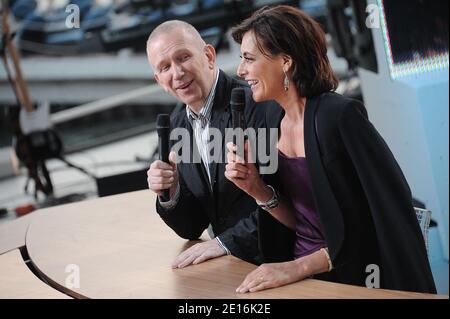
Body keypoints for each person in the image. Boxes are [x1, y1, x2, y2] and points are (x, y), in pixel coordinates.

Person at [225, 5, 436, 293]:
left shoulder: (339, 116)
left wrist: (298, 267)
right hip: (297, 273)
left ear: (285, 61)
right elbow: (302, 222)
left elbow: (377, 218)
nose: (240, 70)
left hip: (354, 275)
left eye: (249, 58)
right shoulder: (271, 118)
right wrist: (257, 189)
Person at [146, 20, 280, 268]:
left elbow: (283, 199)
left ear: (208, 55)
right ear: (159, 80)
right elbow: (191, 227)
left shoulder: (258, 104)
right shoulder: (176, 126)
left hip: (277, 258)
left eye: (183, 57)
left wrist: (223, 243)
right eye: (165, 67)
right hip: (232, 266)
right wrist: (172, 191)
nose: (177, 73)